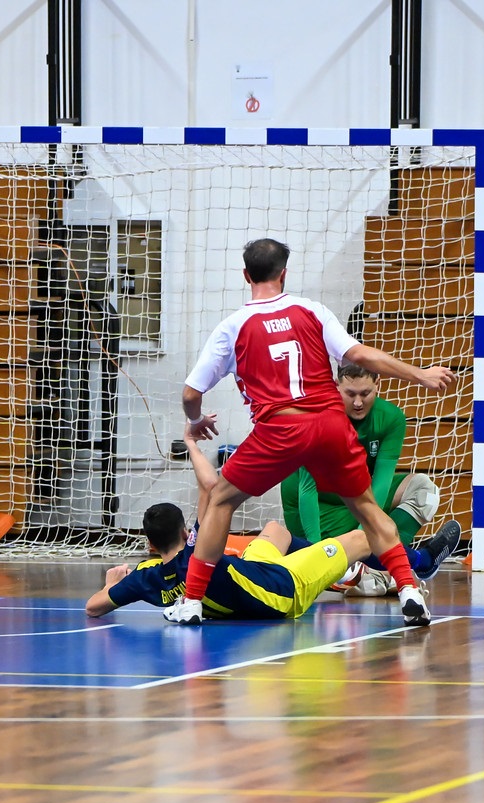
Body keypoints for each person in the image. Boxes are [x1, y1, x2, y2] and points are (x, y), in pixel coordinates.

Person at [172, 238, 455, 628]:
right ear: (283, 274)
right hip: (328, 423)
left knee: (220, 500)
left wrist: (196, 419)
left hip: (280, 427)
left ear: (245, 275)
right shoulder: (311, 310)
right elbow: (358, 355)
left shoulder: (232, 327)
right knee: (369, 509)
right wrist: (419, 374)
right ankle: (409, 589)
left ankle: (191, 602)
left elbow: (190, 393)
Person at [87, 434, 366, 621]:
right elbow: (210, 486)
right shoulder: (199, 550)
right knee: (361, 538)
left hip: (252, 572)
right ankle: (392, 568)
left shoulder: (146, 579)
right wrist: (191, 442)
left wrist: (113, 583)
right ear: (186, 533)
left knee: (275, 530)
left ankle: (334, 566)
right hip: (284, 590)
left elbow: (93, 607)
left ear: (149, 545)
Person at [281, 360, 463, 596]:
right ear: (336, 386)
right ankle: (394, 568)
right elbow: (307, 490)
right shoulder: (317, 417)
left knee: (424, 491)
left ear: (378, 384)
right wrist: (317, 549)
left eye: (365, 393)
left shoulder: (391, 418)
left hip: (355, 498)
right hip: (315, 509)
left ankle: (373, 571)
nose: (358, 402)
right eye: (350, 394)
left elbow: (380, 486)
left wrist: (362, 537)